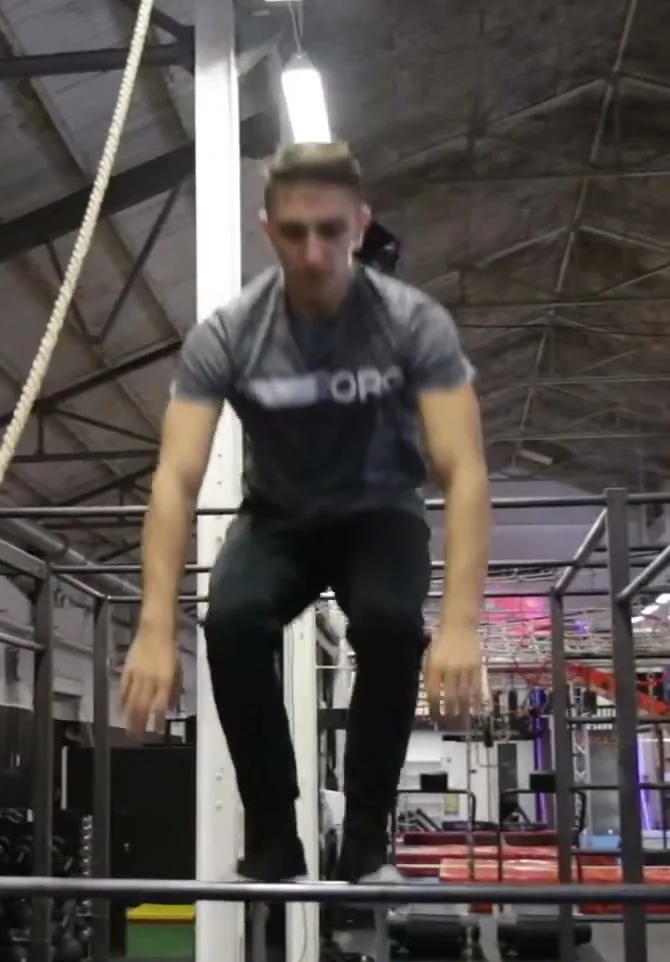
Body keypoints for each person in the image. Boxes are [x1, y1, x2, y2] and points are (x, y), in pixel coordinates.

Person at [119, 141, 491, 884]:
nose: (314, 252)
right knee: (228, 619)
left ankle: (366, 838)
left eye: (330, 230)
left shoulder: (414, 323)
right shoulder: (228, 334)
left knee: (390, 623)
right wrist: (154, 629)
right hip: (281, 518)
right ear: (269, 232)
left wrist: (461, 625)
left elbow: (463, 468)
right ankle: (274, 835)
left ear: (360, 225)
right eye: (295, 233)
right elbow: (175, 478)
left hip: (381, 514)